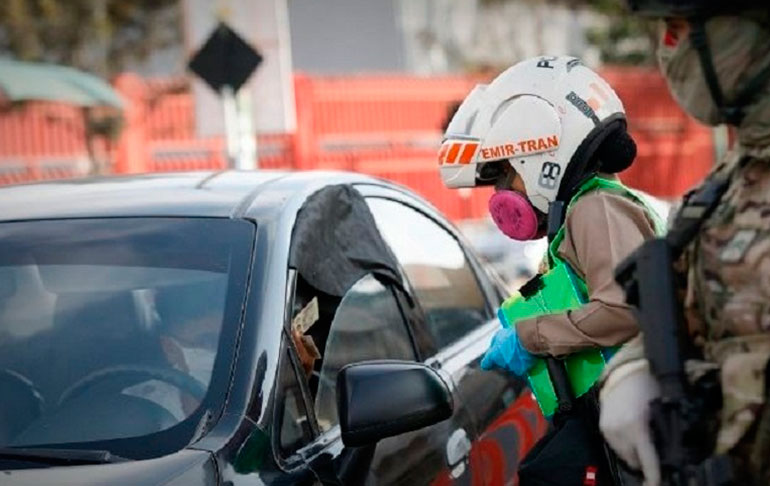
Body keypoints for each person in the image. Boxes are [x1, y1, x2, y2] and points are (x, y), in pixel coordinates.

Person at [439, 55, 662, 484]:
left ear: (541, 152)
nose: (504, 191)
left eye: (506, 174)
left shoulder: (595, 208)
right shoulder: (583, 211)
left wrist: (529, 336)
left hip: (637, 427)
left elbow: (624, 309)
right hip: (615, 425)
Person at [597, 2, 770, 485]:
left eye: (679, 29)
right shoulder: (720, 190)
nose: (666, 52)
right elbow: (685, 316)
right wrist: (633, 370)